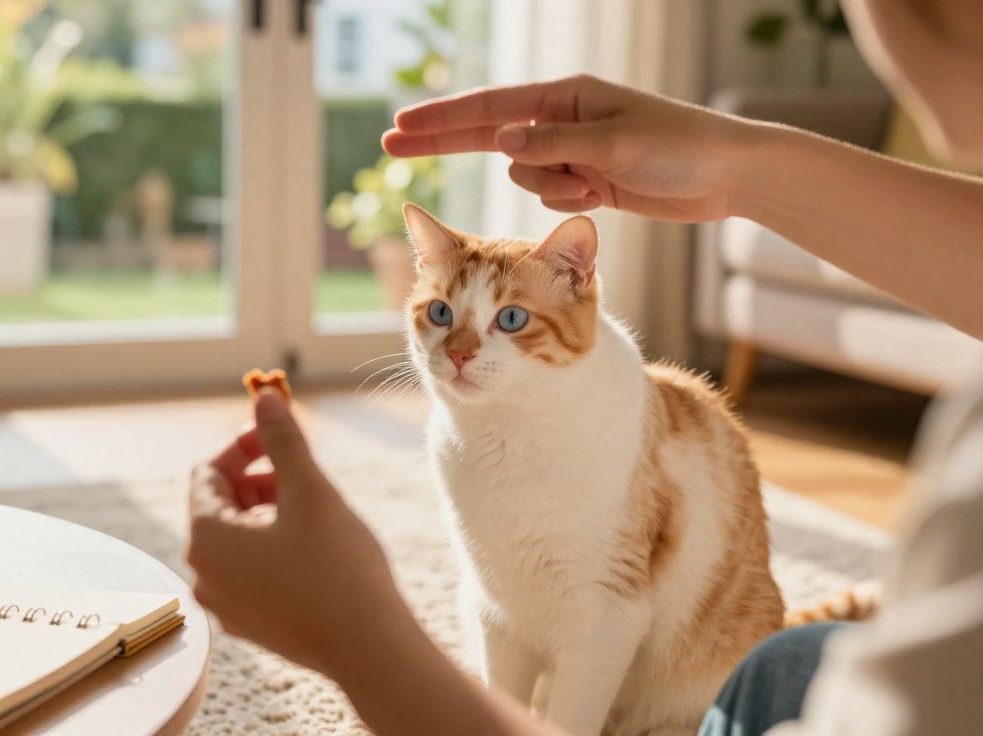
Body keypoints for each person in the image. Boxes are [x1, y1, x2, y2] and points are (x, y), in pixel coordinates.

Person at [186, 1, 983, 734]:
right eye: (438, 317)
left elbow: (611, 613)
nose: (459, 351)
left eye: (506, 322)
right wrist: (735, 164)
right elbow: (501, 608)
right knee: (775, 664)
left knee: (691, 648)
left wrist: (354, 637)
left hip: (679, 680)